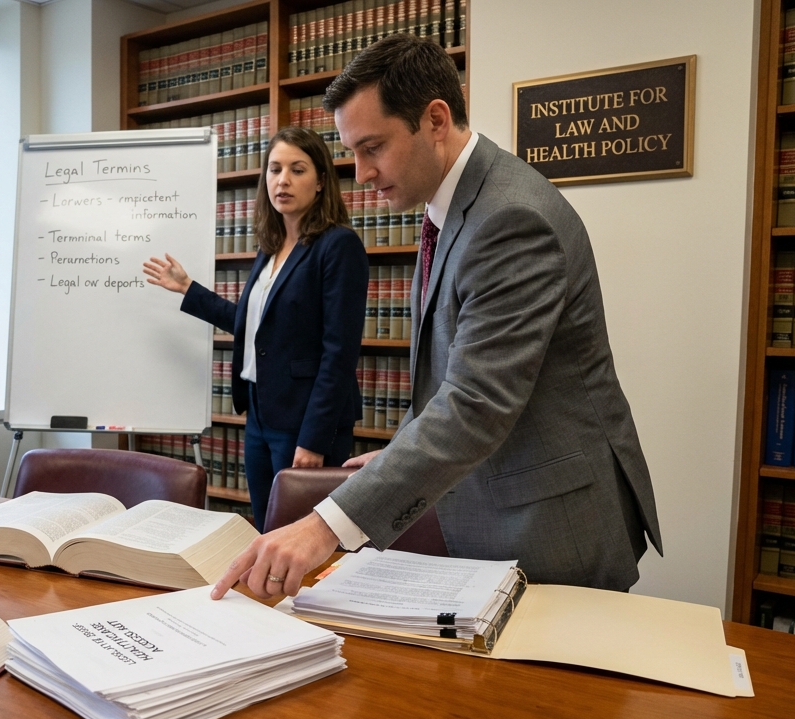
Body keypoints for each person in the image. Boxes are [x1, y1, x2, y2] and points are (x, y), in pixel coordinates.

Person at [211, 35, 661, 599]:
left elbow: (475, 403)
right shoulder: (451, 208)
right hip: (500, 504)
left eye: (372, 147)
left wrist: (324, 526)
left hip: (550, 520)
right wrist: (399, 447)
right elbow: (449, 374)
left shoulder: (509, 219)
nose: (361, 173)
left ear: (436, 119)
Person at [144, 126, 368, 530]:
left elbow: (340, 353)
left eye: (297, 170)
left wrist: (313, 439)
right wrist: (188, 289)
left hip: (305, 421)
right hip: (260, 413)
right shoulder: (272, 247)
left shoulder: (338, 246)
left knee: (304, 536)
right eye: (275, 169)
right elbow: (257, 329)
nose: (282, 180)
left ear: (320, 182)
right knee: (267, 527)